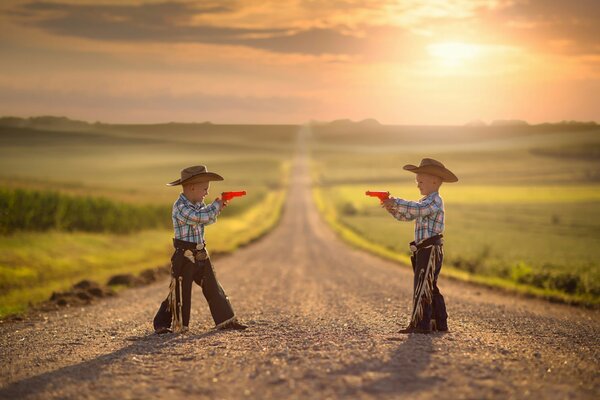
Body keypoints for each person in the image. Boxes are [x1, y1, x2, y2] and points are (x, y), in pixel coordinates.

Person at [153, 165, 247, 333]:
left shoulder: (197, 203)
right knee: (180, 291)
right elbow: (199, 218)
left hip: (201, 252)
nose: (206, 193)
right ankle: (167, 323)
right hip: (184, 255)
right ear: (192, 187)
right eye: (205, 189)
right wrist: (215, 208)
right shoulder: (181, 207)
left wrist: (216, 205)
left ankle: (226, 320)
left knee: (213, 286)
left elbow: (206, 217)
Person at [382, 158, 458, 334]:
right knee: (429, 285)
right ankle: (439, 322)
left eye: (420, 181)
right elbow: (407, 216)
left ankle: (420, 324)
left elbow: (418, 209)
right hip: (424, 248)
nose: (418, 185)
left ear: (434, 181)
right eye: (417, 182)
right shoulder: (425, 201)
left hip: (431, 248)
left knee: (422, 285)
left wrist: (396, 201)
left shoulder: (434, 201)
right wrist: (392, 209)